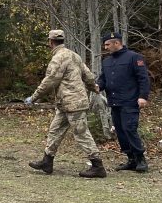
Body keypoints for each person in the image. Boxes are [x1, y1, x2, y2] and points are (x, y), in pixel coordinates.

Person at [25, 30, 105, 178]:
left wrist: (34, 97)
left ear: (50, 42)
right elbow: (87, 75)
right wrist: (95, 88)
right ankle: (47, 161)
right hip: (66, 104)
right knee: (54, 131)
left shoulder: (58, 58)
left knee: (82, 134)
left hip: (72, 103)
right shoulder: (74, 55)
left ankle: (97, 166)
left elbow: (50, 80)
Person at [97, 32, 151, 173]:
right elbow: (103, 79)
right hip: (114, 102)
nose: (105, 47)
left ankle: (140, 159)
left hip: (130, 101)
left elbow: (143, 78)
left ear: (117, 43)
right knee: (120, 131)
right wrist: (97, 86)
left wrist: (143, 96)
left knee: (129, 129)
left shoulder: (133, 57)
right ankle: (131, 159)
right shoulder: (107, 61)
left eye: (108, 44)